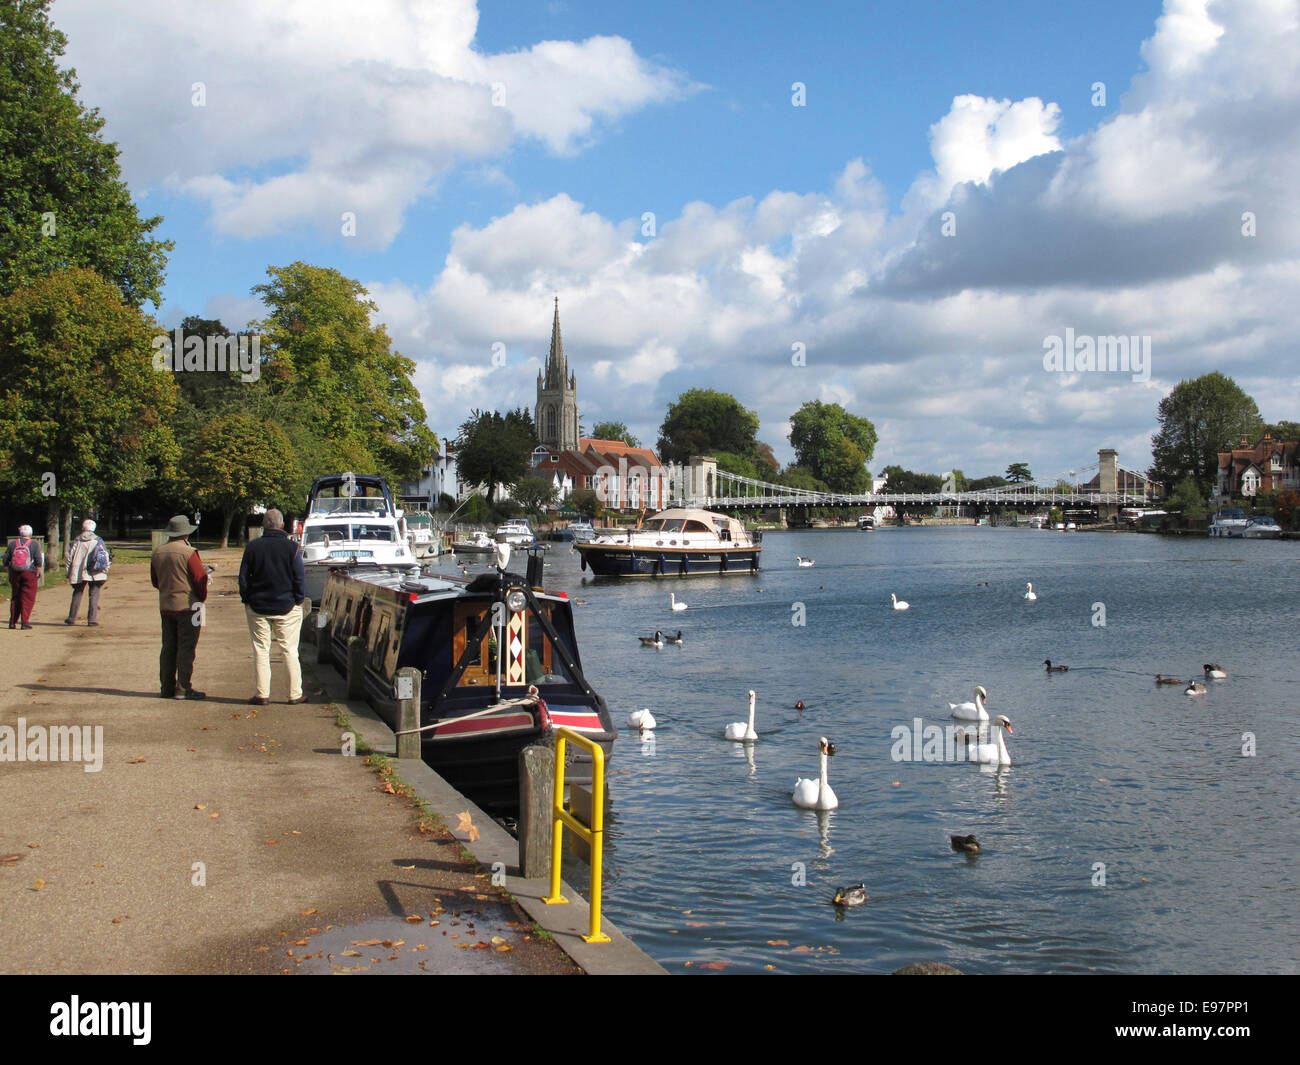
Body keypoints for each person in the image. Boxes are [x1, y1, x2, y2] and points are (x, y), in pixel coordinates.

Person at [238, 508, 308, 706]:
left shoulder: (252, 547)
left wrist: (247, 598)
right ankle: (294, 694)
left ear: (263, 526)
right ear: (283, 525)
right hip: (287, 606)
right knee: (289, 650)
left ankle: (262, 694)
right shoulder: (292, 548)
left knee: (261, 649)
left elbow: (243, 577)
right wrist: (298, 600)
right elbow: (299, 578)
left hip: (258, 606)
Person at [150, 514, 210, 699]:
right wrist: (202, 597)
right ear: (186, 534)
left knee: (168, 647)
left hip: (166, 605)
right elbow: (200, 579)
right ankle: (183, 688)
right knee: (187, 647)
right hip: (190, 606)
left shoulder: (158, 552)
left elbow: (155, 580)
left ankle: (166, 687)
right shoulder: (190, 553)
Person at [65, 518, 110, 625]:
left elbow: (70, 558)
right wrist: (105, 570)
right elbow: (105, 556)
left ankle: (71, 618)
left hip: (79, 571)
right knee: (94, 594)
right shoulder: (98, 540)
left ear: (83, 528)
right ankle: (92, 620)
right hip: (96, 572)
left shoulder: (77, 540)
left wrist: (68, 572)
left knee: (77, 593)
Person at [4, 524, 43, 629]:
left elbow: (5, 560)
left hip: (15, 573)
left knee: (15, 597)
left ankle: (12, 622)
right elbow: (39, 561)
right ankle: (25, 622)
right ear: (31, 533)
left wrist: (9, 570)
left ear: (20, 533)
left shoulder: (13, 544)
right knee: (28, 598)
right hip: (29, 573)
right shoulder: (34, 544)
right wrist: (38, 571)